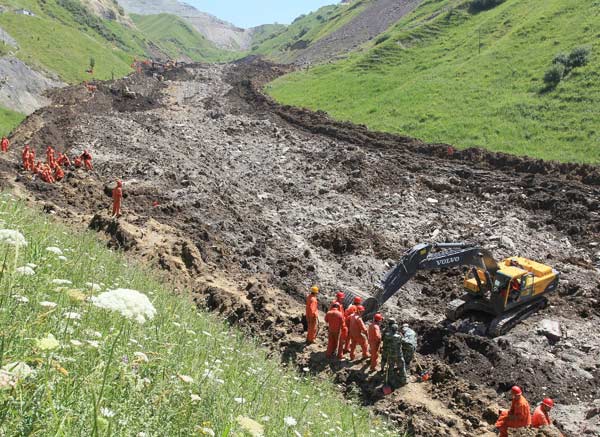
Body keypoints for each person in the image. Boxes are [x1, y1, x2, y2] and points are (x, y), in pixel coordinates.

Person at [381, 321, 407, 388]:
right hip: (399, 354)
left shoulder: (387, 336)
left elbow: (384, 345)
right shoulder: (399, 336)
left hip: (390, 355)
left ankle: (391, 381)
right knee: (402, 367)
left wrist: (386, 352)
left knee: (391, 368)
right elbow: (404, 341)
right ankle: (404, 380)